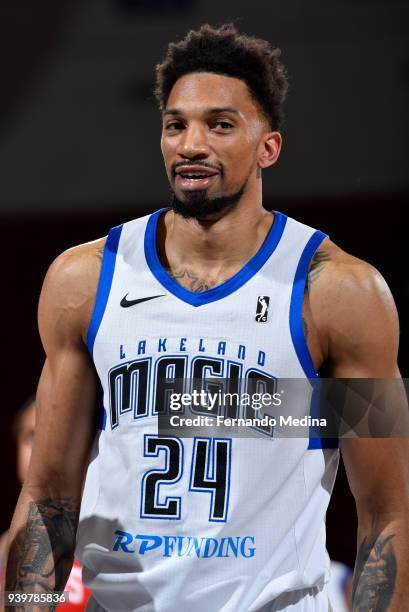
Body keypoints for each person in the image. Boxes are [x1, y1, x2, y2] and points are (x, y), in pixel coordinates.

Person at [5, 23, 409, 611]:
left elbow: (388, 515)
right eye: (176, 125)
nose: (192, 144)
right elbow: (47, 498)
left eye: (220, 124)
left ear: (268, 145)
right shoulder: (85, 279)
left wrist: (247, 405)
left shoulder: (344, 293)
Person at [0, 398, 90, 611]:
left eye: (63, 437)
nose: (46, 451)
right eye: (33, 437)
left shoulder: (109, 545)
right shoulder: (3, 551)